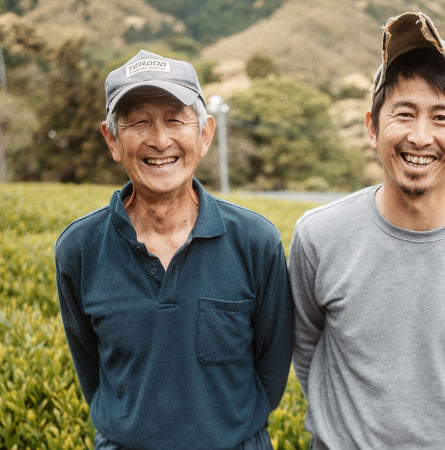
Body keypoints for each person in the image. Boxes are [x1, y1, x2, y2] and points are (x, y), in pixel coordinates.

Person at [288, 12, 445, 450]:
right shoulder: (319, 235)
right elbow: (305, 343)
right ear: (372, 126)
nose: (420, 137)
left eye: (442, 117)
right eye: (404, 113)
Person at [55, 50, 294, 450]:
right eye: (139, 122)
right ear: (113, 139)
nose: (160, 139)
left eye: (174, 119)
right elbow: (92, 371)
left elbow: (271, 366)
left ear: (204, 134)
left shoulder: (256, 242)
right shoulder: (79, 249)